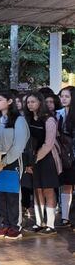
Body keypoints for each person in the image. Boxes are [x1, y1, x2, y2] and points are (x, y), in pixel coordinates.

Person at [0, 91, 29, 240]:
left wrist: (5, 161)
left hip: (12, 160)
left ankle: (15, 226)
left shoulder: (19, 120)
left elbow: (19, 144)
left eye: (0, 100)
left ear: (10, 101)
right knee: (0, 194)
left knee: (12, 194)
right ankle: (5, 223)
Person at [24, 92, 60, 235]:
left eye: (33, 102)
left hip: (46, 159)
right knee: (37, 190)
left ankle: (50, 224)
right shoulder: (28, 119)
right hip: (33, 159)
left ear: (40, 102)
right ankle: (39, 222)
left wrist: (35, 159)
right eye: (28, 102)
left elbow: (48, 143)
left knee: (48, 190)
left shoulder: (49, 119)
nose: (30, 104)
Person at [58, 86, 75, 228]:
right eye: (62, 96)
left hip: (72, 153)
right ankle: (65, 217)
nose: (63, 99)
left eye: (67, 96)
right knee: (66, 185)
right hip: (64, 155)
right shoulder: (58, 114)